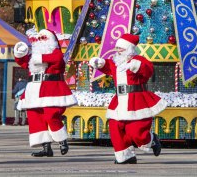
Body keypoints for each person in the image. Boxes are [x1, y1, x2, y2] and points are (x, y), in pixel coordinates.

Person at [89, 33, 166, 164]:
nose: (118, 51)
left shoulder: (139, 60)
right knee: (115, 128)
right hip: (119, 101)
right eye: (117, 48)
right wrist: (99, 63)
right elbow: (107, 66)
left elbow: (148, 70)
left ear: (129, 49)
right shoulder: (116, 62)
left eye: (121, 49)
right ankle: (125, 156)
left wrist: (134, 66)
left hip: (136, 100)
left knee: (136, 132)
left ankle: (151, 140)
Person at [14, 28, 77, 157]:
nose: (40, 41)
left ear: (51, 41)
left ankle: (62, 140)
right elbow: (23, 62)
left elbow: (57, 60)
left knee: (51, 115)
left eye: (44, 38)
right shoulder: (34, 56)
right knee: (35, 118)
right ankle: (46, 147)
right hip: (33, 90)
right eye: (39, 39)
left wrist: (38, 57)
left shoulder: (56, 53)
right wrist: (19, 52)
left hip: (51, 91)